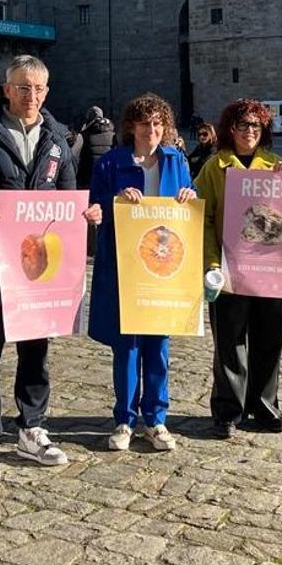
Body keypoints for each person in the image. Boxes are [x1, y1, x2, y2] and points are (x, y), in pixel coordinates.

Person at [0, 54, 100, 481]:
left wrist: (84, 216)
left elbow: (68, 194)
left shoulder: (57, 139)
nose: (31, 96)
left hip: (39, 267)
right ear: (7, 90)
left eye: (38, 89)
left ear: (46, 92)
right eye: (23, 87)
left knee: (36, 347)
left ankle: (32, 426)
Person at [87, 93, 194, 452]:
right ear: (131, 126)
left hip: (164, 268)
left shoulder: (175, 160)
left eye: (158, 124)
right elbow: (95, 206)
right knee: (128, 347)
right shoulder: (112, 163)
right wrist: (116, 199)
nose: (151, 130)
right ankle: (124, 419)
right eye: (145, 123)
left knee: (159, 346)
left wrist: (188, 197)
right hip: (126, 267)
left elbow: (189, 201)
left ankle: (157, 419)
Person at [194, 100, 282, 438]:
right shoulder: (213, 167)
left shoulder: (277, 166)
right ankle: (228, 410)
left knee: (269, 340)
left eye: (256, 125)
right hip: (230, 267)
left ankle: (265, 406)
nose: (249, 131)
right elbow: (202, 218)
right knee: (229, 342)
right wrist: (210, 263)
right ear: (229, 130)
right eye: (242, 125)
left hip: (270, 270)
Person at [77, 106, 116, 190]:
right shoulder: (113, 135)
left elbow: (75, 157)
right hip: (108, 176)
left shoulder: (83, 135)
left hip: (87, 178)